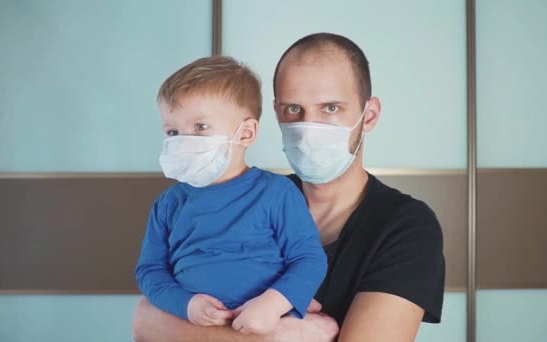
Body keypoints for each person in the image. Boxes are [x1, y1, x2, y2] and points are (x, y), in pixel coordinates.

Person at [133, 32, 445, 342]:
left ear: (370, 115)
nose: (310, 128)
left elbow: (159, 327)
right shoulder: (248, 197)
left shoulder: (406, 226)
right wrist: (285, 336)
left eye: (331, 108)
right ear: (276, 112)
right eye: (293, 109)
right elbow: (145, 321)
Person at [135, 55, 328, 335]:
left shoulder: (276, 193)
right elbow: (150, 271)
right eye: (173, 131)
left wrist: (273, 304)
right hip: (189, 328)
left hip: (265, 324)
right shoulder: (169, 204)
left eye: (200, 127)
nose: (183, 140)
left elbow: (308, 259)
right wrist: (185, 305)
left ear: (246, 133)